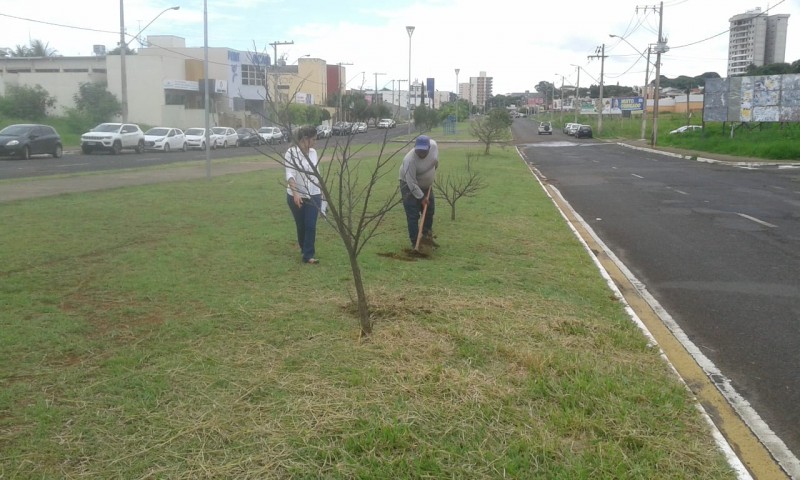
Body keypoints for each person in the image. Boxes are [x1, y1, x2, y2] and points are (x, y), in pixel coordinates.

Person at [285, 125, 322, 264]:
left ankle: (308, 255)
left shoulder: (313, 152)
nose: (315, 142)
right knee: (301, 226)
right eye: (313, 139)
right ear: (305, 139)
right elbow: (290, 174)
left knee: (310, 225)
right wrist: (295, 194)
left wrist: (321, 192)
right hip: (296, 195)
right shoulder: (291, 153)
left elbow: (316, 174)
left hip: (313, 194)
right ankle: (304, 248)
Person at [398, 134, 439, 249]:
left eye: (423, 151)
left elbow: (435, 162)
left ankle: (426, 239)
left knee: (429, 212)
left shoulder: (434, 146)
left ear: (429, 148)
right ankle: (416, 243)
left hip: (426, 186)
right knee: (413, 215)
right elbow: (411, 183)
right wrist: (422, 198)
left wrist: (431, 175)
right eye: (419, 150)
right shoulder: (409, 160)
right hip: (408, 186)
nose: (421, 153)